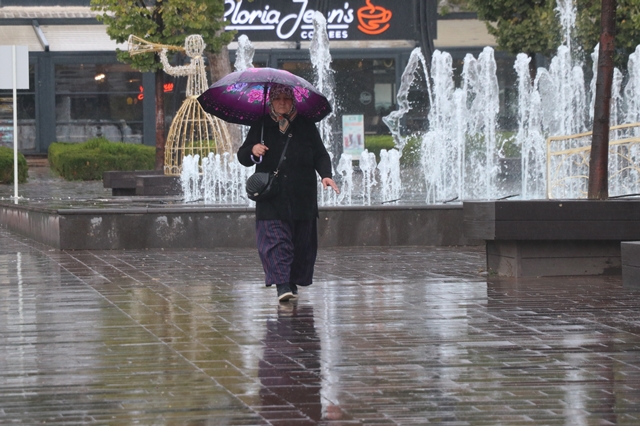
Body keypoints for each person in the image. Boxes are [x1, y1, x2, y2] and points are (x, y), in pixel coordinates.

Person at [237, 83, 339, 302]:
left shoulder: (306, 125)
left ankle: (291, 282)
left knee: (301, 243)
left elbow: (320, 154)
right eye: (277, 99)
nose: (282, 103)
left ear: (293, 101)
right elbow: (243, 155)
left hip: (302, 195)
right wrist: (254, 151)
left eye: (286, 99)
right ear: (270, 101)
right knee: (276, 241)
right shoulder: (262, 124)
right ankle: (282, 285)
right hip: (272, 197)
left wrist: (326, 175)